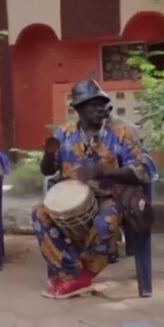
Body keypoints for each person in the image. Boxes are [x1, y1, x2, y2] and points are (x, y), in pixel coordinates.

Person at [34, 79, 151, 299]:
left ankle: (76, 278)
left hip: (111, 197)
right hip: (74, 198)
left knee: (105, 221)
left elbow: (143, 169)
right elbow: (47, 170)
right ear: (77, 109)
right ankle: (75, 273)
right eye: (92, 104)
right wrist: (48, 155)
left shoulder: (122, 132)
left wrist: (105, 172)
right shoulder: (64, 133)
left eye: (102, 103)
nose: (99, 108)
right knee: (40, 213)